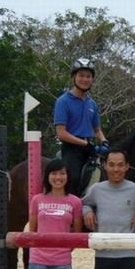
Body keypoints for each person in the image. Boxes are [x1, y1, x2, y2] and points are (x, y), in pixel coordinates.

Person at [54, 57, 109, 196]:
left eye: (88, 76)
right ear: (74, 77)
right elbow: (61, 133)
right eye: (81, 75)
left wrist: (105, 142)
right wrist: (84, 144)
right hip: (71, 149)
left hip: (89, 148)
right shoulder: (63, 101)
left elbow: (97, 130)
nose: (85, 79)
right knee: (73, 179)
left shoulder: (92, 104)